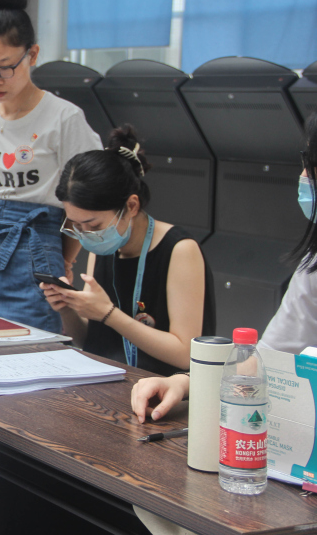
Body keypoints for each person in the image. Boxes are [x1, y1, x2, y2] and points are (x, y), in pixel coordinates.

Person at [132, 113, 317, 423]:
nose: (303, 175)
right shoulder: (312, 267)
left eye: (310, 162)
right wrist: (186, 383)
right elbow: (271, 360)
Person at [0, 0, 102, 332]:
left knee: (33, 342)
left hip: (38, 243)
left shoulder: (63, 118)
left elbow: (87, 201)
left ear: (32, 54)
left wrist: (64, 257)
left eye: (5, 68)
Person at [40, 125, 215, 376]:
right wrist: (67, 307)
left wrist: (109, 314)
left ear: (131, 206)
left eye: (93, 225)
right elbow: (92, 342)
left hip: (163, 389)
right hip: (106, 384)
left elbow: (184, 354)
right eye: (76, 226)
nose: (86, 235)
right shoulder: (103, 246)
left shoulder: (179, 250)